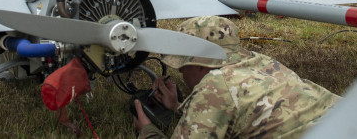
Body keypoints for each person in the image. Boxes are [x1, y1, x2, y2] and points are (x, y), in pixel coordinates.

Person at [133, 16, 340, 139]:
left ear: (198, 63)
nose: (182, 73)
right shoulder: (262, 61)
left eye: (183, 67)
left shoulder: (216, 85)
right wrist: (180, 107)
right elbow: (238, 108)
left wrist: (147, 130)